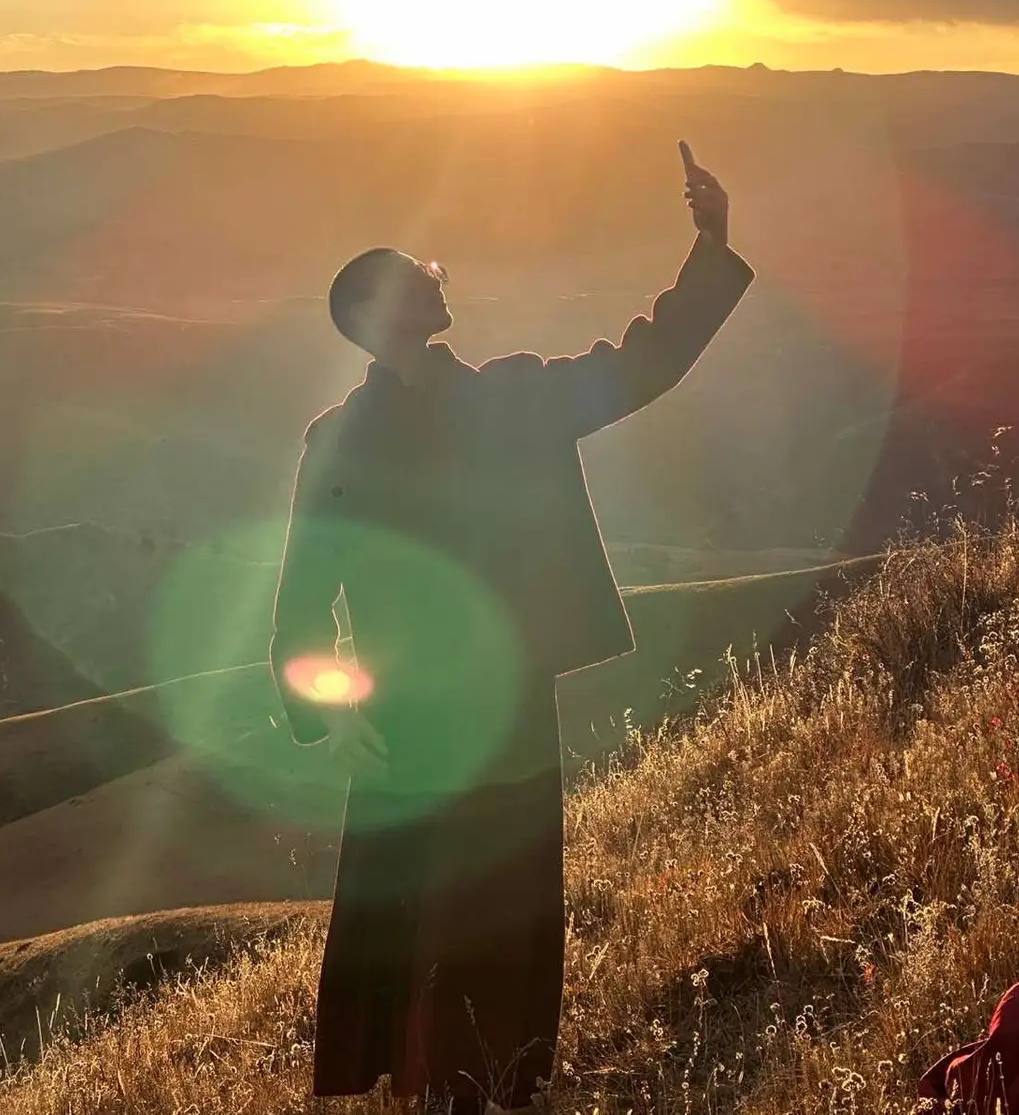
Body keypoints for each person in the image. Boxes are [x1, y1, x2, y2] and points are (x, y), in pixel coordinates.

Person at [269, 148, 754, 1114]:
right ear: (376, 318)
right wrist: (326, 708)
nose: (432, 274)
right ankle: (447, 1088)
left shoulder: (504, 398)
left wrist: (713, 247)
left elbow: (641, 364)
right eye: (411, 275)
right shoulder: (352, 436)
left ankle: (484, 1087)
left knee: (491, 912)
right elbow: (301, 595)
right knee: (435, 920)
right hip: (410, 721)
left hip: (484, 711)